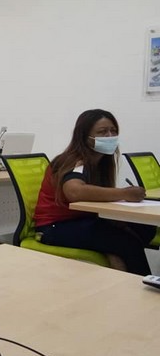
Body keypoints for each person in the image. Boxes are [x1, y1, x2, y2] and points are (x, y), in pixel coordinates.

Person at [33, 108, 155, 275]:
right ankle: (140, 286)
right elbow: (74, 191)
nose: (110, 136)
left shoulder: (101, 162)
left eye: (113, 131)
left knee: (144, 229)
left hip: (84, 220)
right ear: (84, 136)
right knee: (126, 242)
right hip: (54, 227)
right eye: (102, 132)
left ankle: (121, 273)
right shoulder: (74, 160)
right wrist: (124, 193)